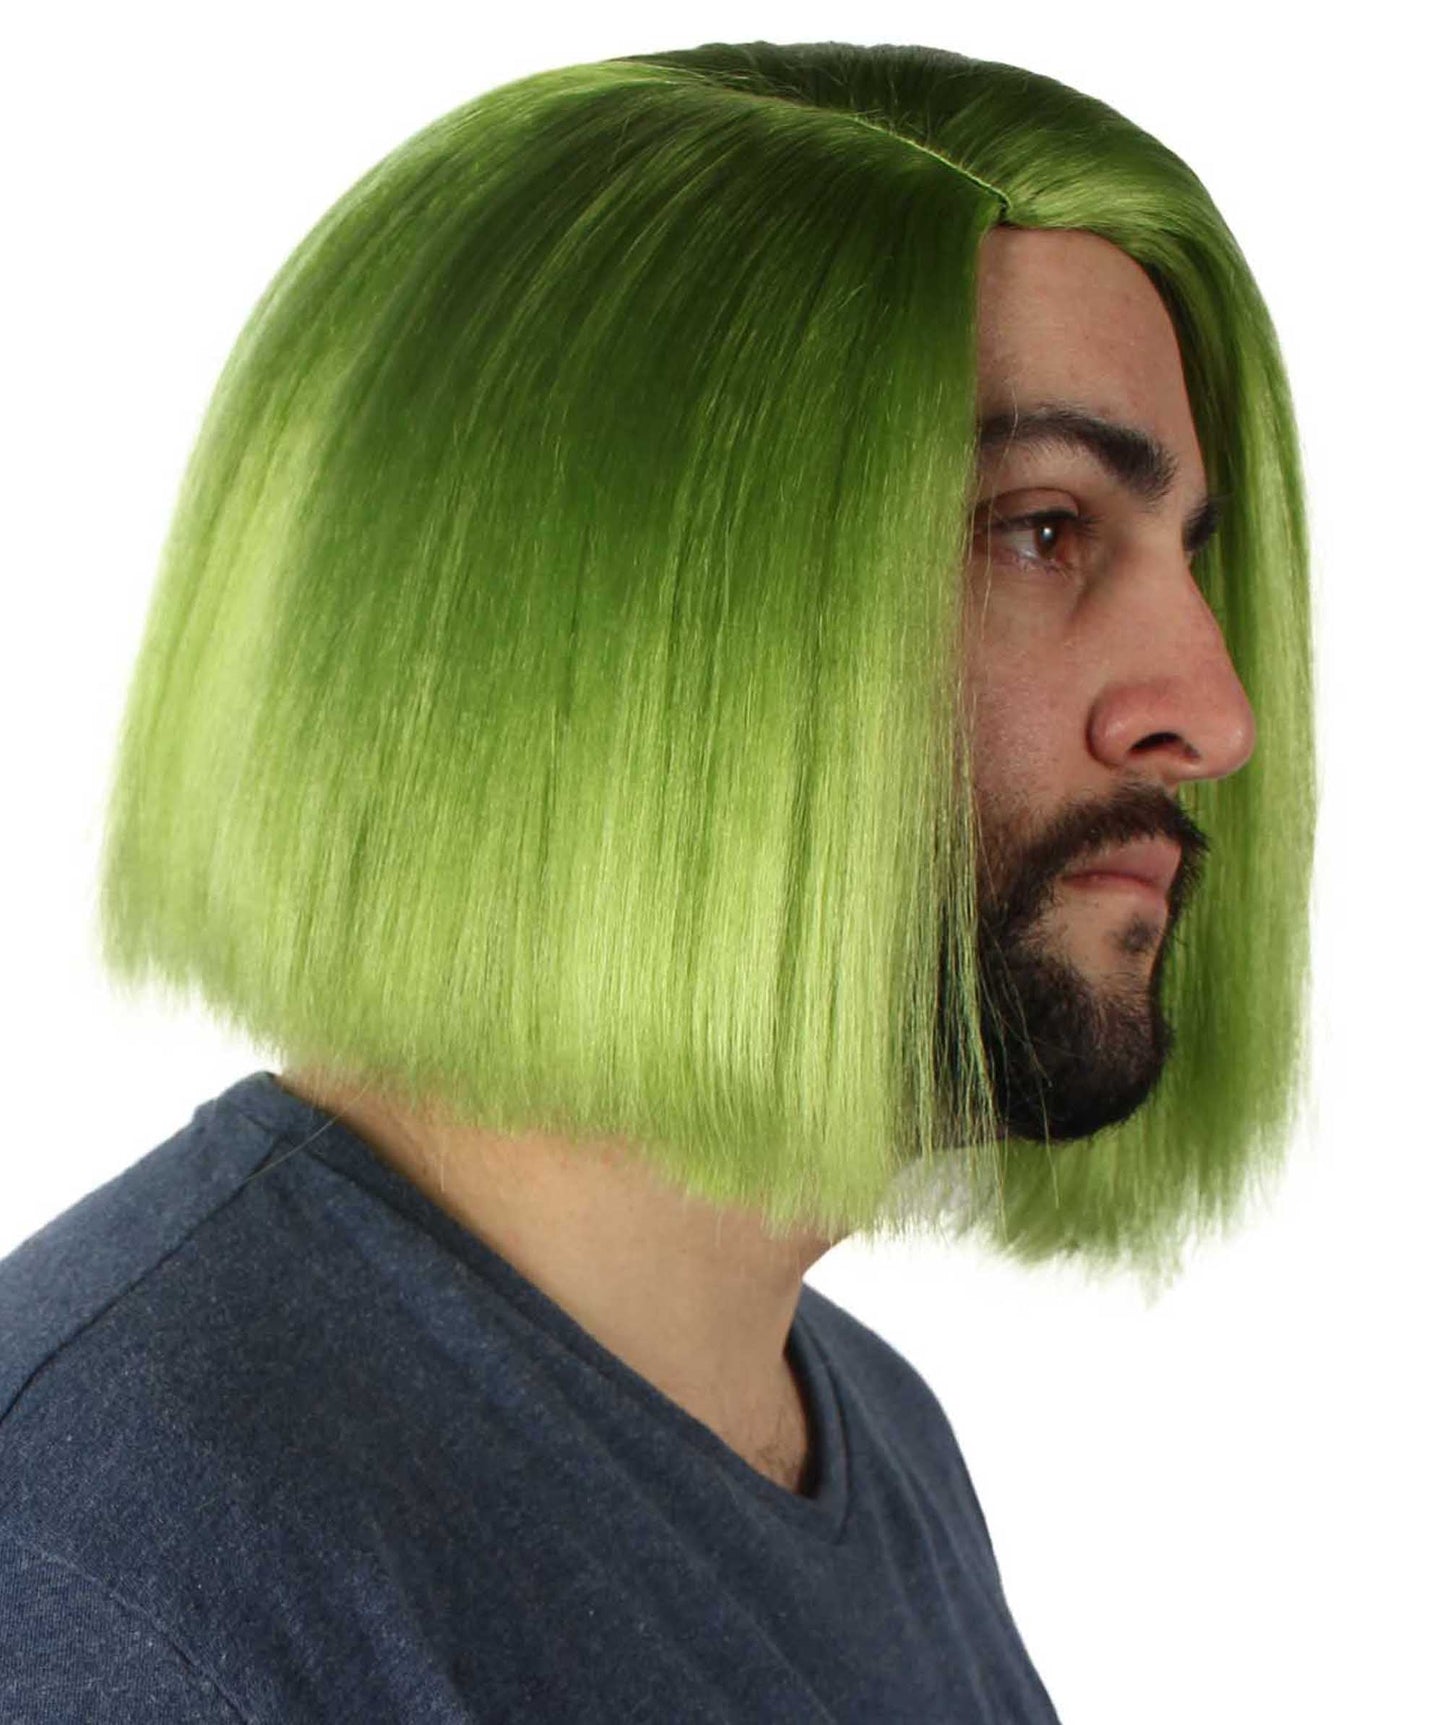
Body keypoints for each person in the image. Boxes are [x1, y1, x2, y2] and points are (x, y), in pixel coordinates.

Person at [0, 39, 1315, 1723]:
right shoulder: (118, 1577)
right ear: (609, 635)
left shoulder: (865, 1434)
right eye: (1040, 530)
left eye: (1183, 554)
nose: (1212, 713)